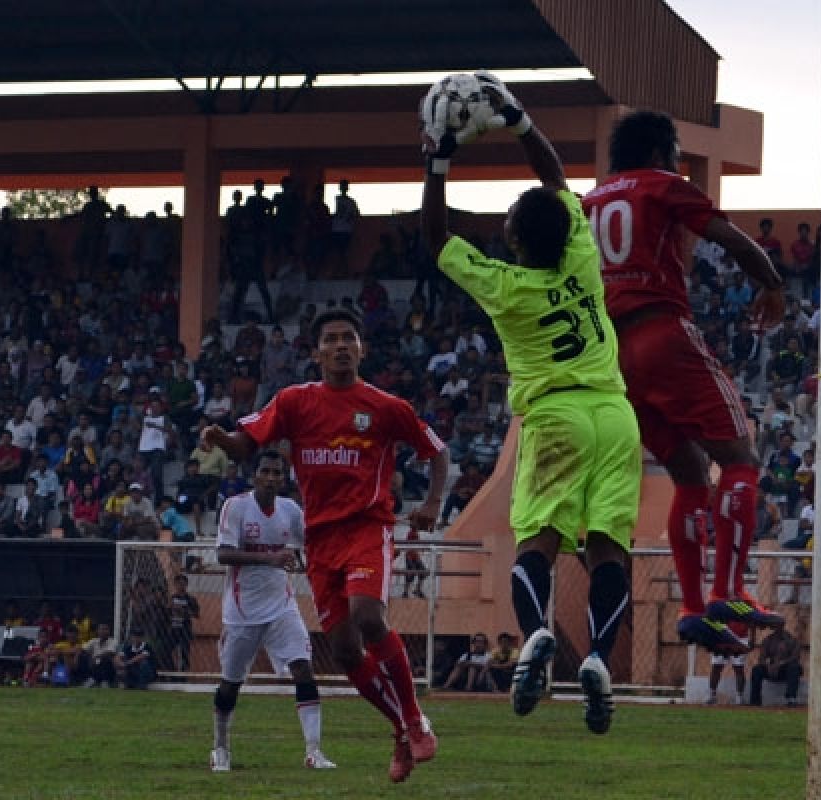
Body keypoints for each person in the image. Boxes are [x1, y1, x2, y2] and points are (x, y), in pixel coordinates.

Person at [422, 75, 642, 735]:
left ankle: (538, 632)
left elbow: (435, 239)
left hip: (557, 418)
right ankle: (599, 657)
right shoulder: (581, 257)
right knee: (608, 551)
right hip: (617, 415)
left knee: (536, 545)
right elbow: (553, 179)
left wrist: (438, 158)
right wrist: (519, 120)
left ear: (515, 242)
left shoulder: (505, 286)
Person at [201, 310, 446, 783]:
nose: (339, 345)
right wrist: (221, 441)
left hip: (367, 528)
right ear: (315, 353)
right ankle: (399, 730)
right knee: (345, 651)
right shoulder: (295, 402)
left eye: (348, 338)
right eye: (330, 339)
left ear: (361, 349)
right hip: (320, 538)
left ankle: (415, 720)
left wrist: (433, 502)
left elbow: (436, 450)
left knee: (368, 617)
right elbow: (246, 444)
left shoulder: (384, 406)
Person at [580, 107, 786, 654]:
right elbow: (730, 238)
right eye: (673, 155)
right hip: (662, 332)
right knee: (741, 457)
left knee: (690, 470)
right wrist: (771, 283)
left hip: (610, 355)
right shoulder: (663, 186)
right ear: (658, 154)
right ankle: (728, 589)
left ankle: (694, 608)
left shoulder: (590, 201)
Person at [209, 450, 334, 772]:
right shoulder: (236, 507)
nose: (271, 477)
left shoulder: (290, 510)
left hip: (282, 605)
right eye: (265, 471)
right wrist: (271, 559)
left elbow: (312, 542)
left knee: (303, 669)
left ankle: (313, 751)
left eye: (277, 473)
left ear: (284, 478)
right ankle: (220, 748)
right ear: (255, 475)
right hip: (242, 610)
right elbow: (223, 555)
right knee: (230, 684)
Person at [750, 626, 803, 707]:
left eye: (778, 625)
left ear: (782, 626)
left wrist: (781, 663)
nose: (776, 629)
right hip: (771, 668)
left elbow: (795, 657)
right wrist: (767, 665)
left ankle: (791, 698)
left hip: (785, 668)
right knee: (757, 669)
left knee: (794, 667)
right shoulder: (768, 640)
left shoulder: (793, 640)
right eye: (774, 626)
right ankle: (755, 700)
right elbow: (761, 658)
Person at [707, 621, 749, 705]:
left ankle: (739, 697)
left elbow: (750, 620)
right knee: (716, 667)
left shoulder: (747, 607)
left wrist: (753, 638)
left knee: (739, 668)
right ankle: (712, 695)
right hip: (721, 638)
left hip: (740, 637)